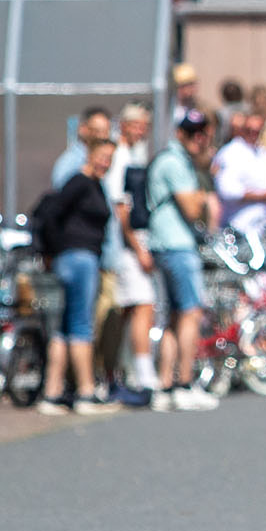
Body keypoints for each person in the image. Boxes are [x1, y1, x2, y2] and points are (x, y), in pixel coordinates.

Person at [37, 138, 123, 417]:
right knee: (82, 325)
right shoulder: (79, 182)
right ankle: (86, 392)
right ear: (90, 154)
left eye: (110, 158)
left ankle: (51, 393)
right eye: (102, 156)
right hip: (78, 258)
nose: (105, 163)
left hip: (80, 257)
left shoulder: (95, 185)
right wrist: (54, 249)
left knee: (64, 328)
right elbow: (52, 214)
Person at [145, 108, 220, 410]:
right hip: (176, 245)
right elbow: (193, 209)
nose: (199, 140)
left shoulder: (176, 160)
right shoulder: (175, 163)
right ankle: (185, 383)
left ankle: (166, 386)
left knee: (175, 318)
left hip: (168, 244)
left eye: (202, 134)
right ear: (180, 133)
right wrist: (203, 192)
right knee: (191, 313)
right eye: (193, 134)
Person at [105, 103, 159, 399]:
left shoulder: (132, 154)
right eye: (139, 125)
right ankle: (144, 375)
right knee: (142, 305)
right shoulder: (119, 157)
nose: (143, 131)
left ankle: (117, 371)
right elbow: (120, 208)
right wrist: (138, 248)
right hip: (124, 245)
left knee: (127, 310)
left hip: (127, 243)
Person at [212, 108, 266, 236]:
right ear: (242, 129)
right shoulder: (230, 153)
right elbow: (227, 190)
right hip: (240, 228)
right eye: (250, 130)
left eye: (258, 131)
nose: (254, 134)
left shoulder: (263, 152)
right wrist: (262, 195)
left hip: (265, 227)